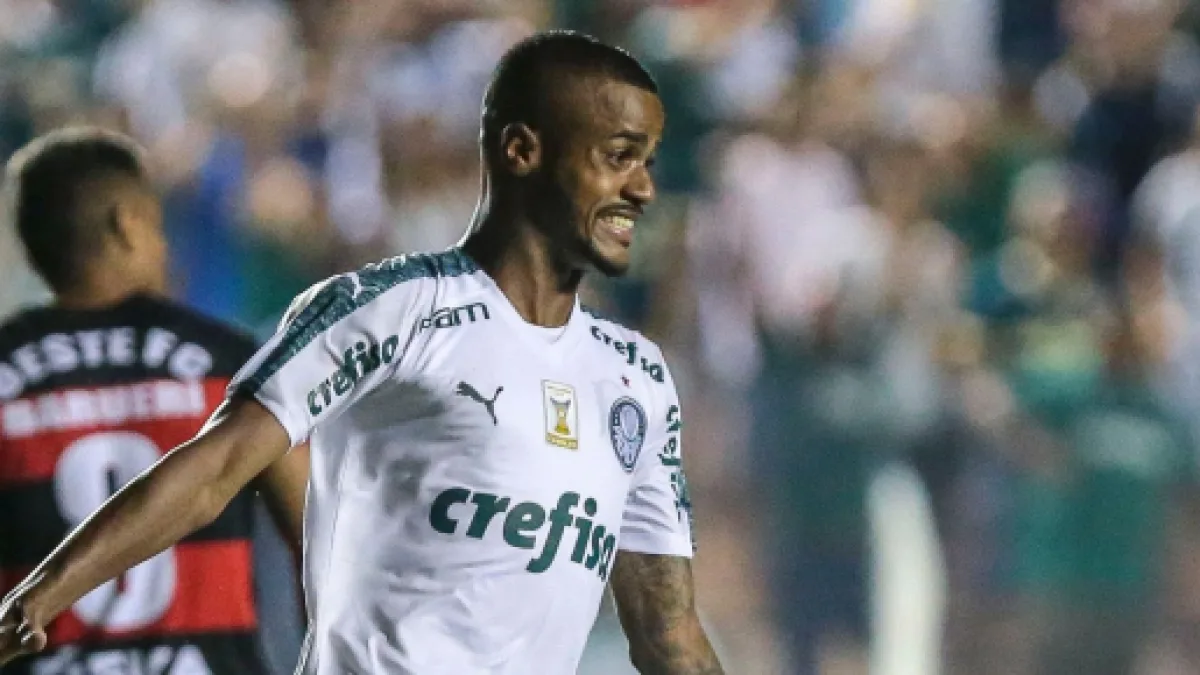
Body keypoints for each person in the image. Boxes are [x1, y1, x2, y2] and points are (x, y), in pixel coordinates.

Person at [0, 31, 724, 675]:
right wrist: (38, 597)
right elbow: (217, 467)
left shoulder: (635, 377)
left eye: (648, 161)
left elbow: (668, 635)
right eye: (619, 157)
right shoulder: (391, 310)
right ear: (522, 150)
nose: (644, 188)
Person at [0, 128, 310, 674]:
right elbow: (320, 534)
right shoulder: (231, 363)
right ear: (127, 224)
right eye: (158, 226)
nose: (166, 247)